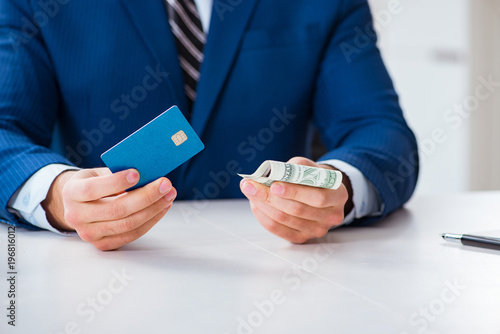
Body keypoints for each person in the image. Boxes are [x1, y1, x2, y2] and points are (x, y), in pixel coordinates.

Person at [0, 0, 418, 250]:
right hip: (99, 276)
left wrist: (336, 188)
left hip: (275, 272)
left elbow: (380, 132)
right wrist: (57, 196)